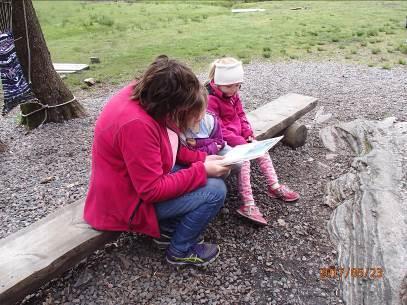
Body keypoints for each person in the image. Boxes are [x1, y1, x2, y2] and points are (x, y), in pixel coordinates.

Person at [84, 55, 231, 266]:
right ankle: (181, 250)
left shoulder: (149, 96)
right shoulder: (136, 124)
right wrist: (202, 170)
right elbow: (151, 190)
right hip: (126, 203)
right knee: (215, 190)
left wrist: (203, 158)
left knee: (203, 173)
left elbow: (170, 146)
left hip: (135, 185)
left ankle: (167, 231)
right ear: (170, 106)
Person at [203, 57, 300, 225]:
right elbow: (217, 128)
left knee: (262, 150)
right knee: (245, 161)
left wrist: (248, 134)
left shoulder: (233, 94)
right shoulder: (211, 100)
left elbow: (241, 115)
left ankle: (274, 186)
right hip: (221, 141)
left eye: (237, 85)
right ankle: (248, 204)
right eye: (229, 86)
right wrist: (241, 142)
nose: (234, 89)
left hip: (240, 139)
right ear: (218, 82)